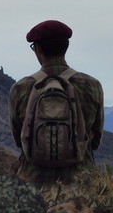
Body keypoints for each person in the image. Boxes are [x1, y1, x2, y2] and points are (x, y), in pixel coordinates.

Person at [8, 20, 104, 185]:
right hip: (81, 181)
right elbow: (95, 141)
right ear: (66, 47)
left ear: (38, 48)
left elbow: (20, 140)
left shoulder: (20, 88)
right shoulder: (92, 85)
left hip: (32, 182)